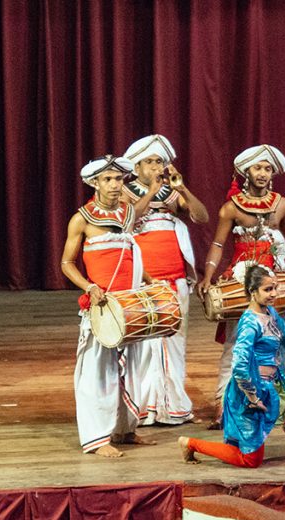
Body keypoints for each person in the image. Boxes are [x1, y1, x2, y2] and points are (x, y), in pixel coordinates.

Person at [196, 145, 285, 428]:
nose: (262, 173)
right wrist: (208, 276)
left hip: (274, 279)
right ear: (246, 172)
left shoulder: (282, 204)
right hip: (242, 280)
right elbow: (219, 245)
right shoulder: (231, 208)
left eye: (267, 169)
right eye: (257, 168)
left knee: (278, 341)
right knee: (237, 345)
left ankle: (274, 402)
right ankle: (225, 406)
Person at [60, 155, 153, 457]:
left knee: (135, 369)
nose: (115, 185)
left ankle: (125, 430)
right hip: (102, 307)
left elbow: (131, 254)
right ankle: (97, 438)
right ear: (95, 183)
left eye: (118, 179)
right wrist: (89, 286)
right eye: (108, 179)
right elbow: (66, 263)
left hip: (130, 305)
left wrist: (151, 281)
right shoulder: (83, 219)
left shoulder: (127, 214)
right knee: (97, 372)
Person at [179, 264, 285, 467]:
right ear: (252, 292)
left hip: (268, 386)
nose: (274, 294)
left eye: (275, 288)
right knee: (250, 460)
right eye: (267, 290)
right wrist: (252, 397)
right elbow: (239, 365)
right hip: (249, 392)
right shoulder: (250, 323)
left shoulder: (271, 314)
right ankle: (191, 444)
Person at [122, 134, 209, 425]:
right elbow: (127, 221)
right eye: (150, 162)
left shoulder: (171, 194)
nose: (157, 167)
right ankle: (144, 409)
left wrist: (181, 187)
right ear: (137, 167)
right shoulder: (124, 191)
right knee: (144, 346)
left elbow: (201, 217)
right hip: (143, 281)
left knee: (174, 344)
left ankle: (173, 407)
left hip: (175, 280)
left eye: (160, 161)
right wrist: (151, 193)